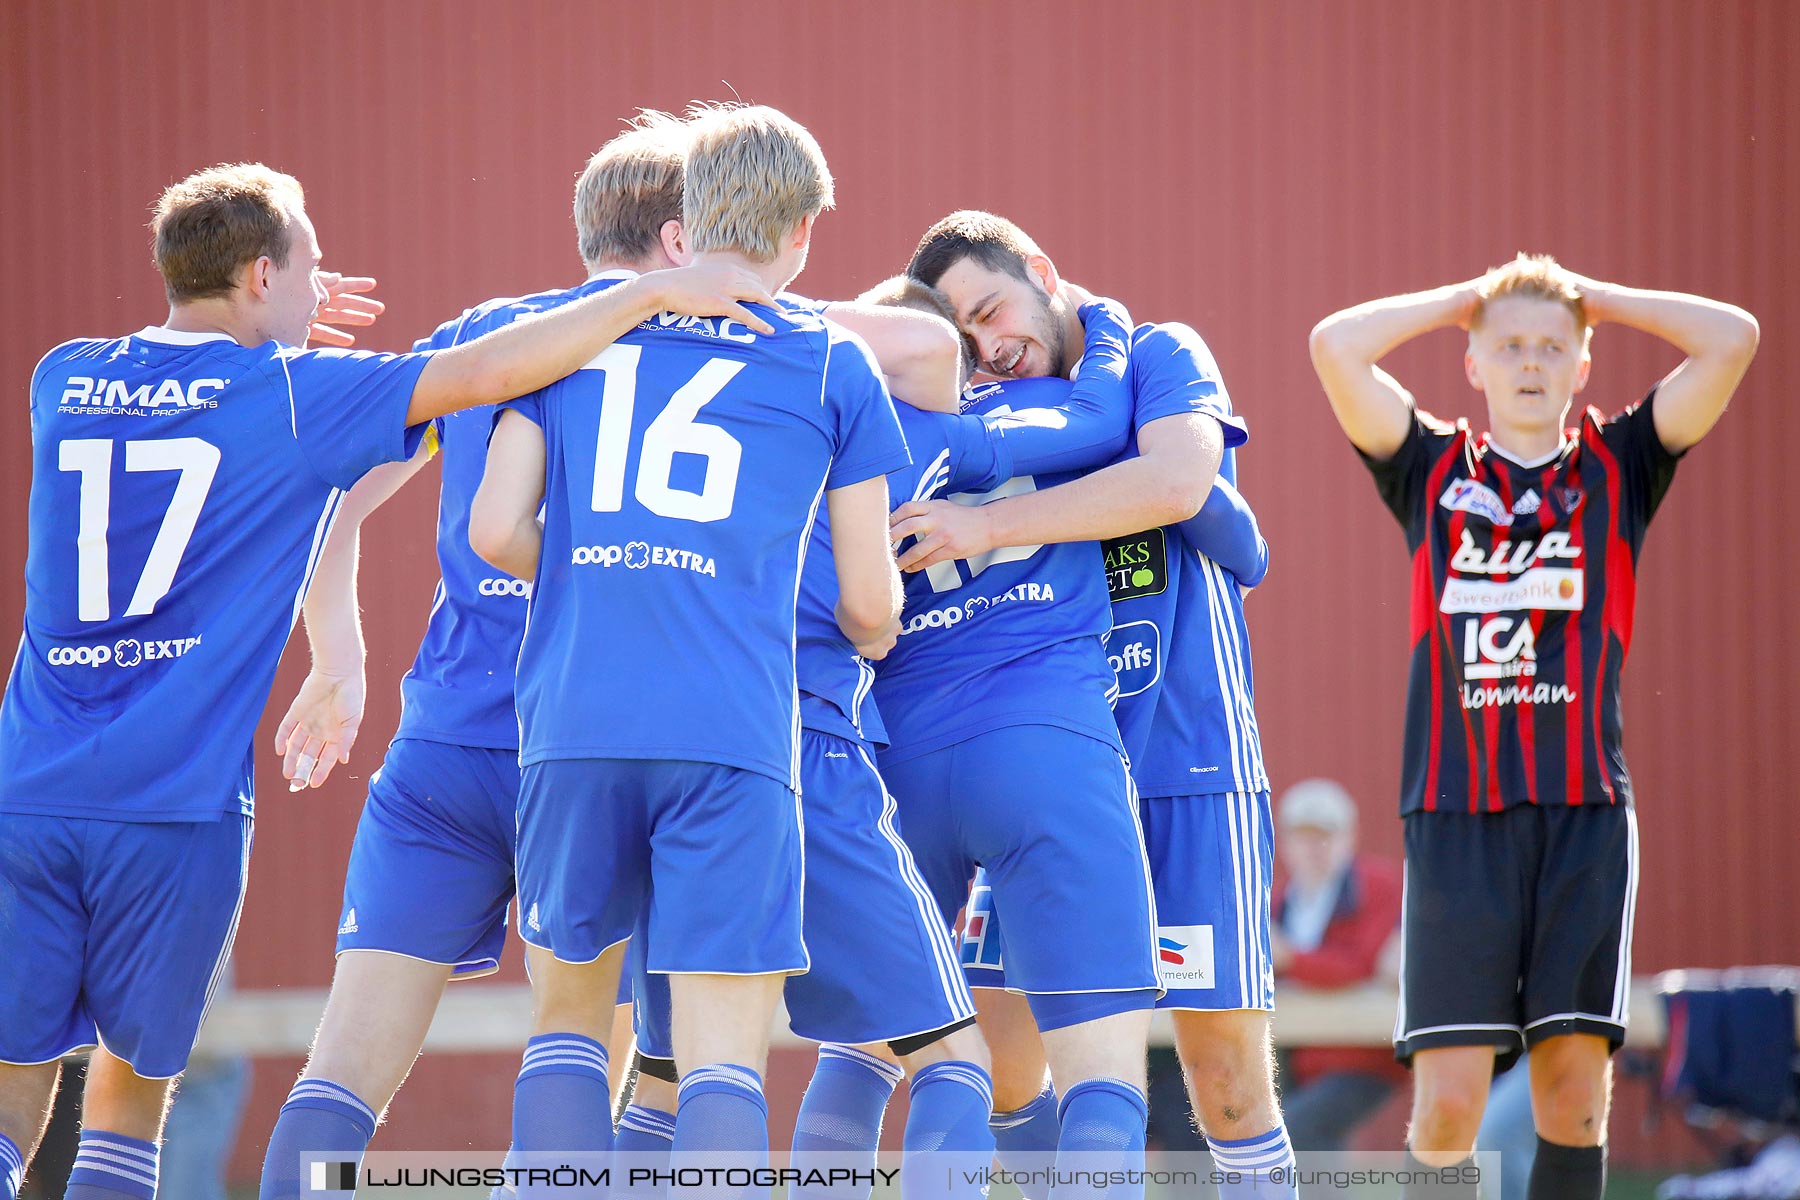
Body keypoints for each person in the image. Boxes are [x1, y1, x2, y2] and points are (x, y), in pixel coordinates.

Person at [0, 161, 776, 1200]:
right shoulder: (302, 395)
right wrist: (642, 299)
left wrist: (341, 649)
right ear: (263, 273)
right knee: (594, 1043)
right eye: (314, 267)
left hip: (57, 783)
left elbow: (299, 463)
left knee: (259, 1076)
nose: (328, 293)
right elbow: (481, 381)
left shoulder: (65, 376)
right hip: (548, 747)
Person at [467, 103, 910, 1171]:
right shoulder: (829, 362)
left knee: (571, 1022)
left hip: (575, 717)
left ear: (686, 219)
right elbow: (867, 599)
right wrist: (872, 629)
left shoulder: (577, 335)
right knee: (721, 1056)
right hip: (730, 729)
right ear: (801, 232)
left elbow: (493, 531)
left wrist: (606, 574)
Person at [1308, 253, 1759, 1200]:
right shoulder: (1433, 469)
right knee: (1446, 1103)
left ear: (1581, 365)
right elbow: (1335, 348)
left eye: (1553, 346)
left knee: (1572, 1094)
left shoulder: (1619, 465)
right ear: (1472, 363)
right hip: (1454, 814)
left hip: (1583, 817)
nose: (1529, 361)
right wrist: (1453, 303)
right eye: (1507, 344)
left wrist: (1605, 299)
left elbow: (1734, 339)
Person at [903, 212, 1293, 1200]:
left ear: (1039, 270)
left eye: (991, 308)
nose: (988, 345)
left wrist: (986, 521)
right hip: (1042, 771)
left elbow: (1177, 477)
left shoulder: (1160, 351)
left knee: (1227, 1083)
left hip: (1182, 769)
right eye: (963, 338)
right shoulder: (992, 408)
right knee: (1008, 1067)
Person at [1268, 779, 1406, 1152]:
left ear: (1350, 837)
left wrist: (1289, 958)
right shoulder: (1279, 898)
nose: (1314, 850)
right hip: (1295, 1055)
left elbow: (1360, 964)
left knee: (1300, 1131)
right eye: (1303, 837)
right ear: (1285, 842)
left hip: (1363, 1057)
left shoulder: (1377, 886)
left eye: (1325, 836)